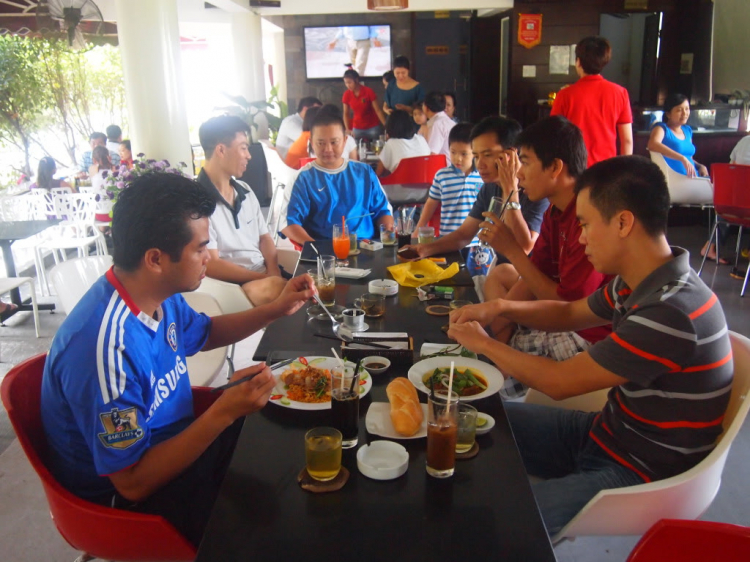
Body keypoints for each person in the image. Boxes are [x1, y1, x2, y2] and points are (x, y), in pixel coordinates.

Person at [448, 155, 733, 536]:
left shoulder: (670, 312)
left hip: (638, 469)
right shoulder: (639, 280)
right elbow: (569, 314)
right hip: (607, 433)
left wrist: (483, 344)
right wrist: (498, 307)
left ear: (622, 222)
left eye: (585, 224)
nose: (580, 238)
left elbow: (559, 383)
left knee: (501, 523)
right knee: (465, 417)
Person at [40, 172, 315, 547]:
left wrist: (276, 308)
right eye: (201, 249)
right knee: (273, 527)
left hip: (178, 447)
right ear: (155, 258)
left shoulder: (157, 293)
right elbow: (133, 483)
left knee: (285, 447)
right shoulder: (103, 349)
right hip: (128, 504)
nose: (209, 258)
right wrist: (222, 411)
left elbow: (203, 333)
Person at [478, 116, 611, 399]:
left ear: (555, 167)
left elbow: (568, 308)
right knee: (499, 307)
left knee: (496, 353)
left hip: (587, 334)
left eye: (524, 163)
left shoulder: (587, 216)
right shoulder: (556, 211)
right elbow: (533, 273)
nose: (519, 173)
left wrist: (511, 249)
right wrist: (499, 315)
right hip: (565, 313)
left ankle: (496, 400)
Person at [405, 116, 548, 262]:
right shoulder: (489, 188)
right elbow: (463, 235)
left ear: (510, 154)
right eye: (476, 156)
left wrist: (510, 189)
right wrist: (424, 249)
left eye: (487, 155)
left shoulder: (536, 190)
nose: (480, 164)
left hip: (528, 274)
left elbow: (524, 247)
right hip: (501, 269)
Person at [198, 115, 288, 306]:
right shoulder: (197, 202)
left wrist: (273, 271)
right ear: (221, 150)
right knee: (298, 296)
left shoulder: (245, 189)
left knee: (318, 283)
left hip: (265, 277)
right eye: (243, 148)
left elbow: (265, 237)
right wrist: (260, 277)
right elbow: (211, 264)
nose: (249, 155)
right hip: (233, 285)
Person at [281, 110, 393, 245]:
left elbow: (382, 211)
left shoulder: (364, 173)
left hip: (367, 247)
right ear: (311, 142)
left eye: (334, 142)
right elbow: (288, 223)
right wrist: (317, 249)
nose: (328, 149)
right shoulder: (303, 179)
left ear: (345, 141)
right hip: (326, 251)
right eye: (321, 143)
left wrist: (387, 231)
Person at [647, 93, 723, 263]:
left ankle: (710, 246)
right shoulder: (661, 128)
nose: (685, 113)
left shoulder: (687, 130)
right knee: (721, 197)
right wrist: (680, 158)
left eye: (687, 109)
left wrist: (699, 165)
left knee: (722, 199)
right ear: (668, 113)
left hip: (692, 181)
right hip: (677, 183)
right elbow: (652, 144)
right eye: (679, 110)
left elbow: (688, 156)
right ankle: (710, 247)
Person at [550, 36, 633, 167]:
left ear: (578, 62)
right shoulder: (620, 93)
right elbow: (627, 141)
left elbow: (554, 136)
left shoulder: (564, 95)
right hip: (607, 168)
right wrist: (623, 170)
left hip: (573, 168)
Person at [417, 123, 483, 239]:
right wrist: (419, 228)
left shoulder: (482, 177)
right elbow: (431, 203)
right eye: (453, 152)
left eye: (464, 154)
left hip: (476, 240)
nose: (458, 158)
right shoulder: (442, 176)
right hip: (448, 239)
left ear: (474, 153)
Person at [376, 109, 430, 176]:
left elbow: (379, 172)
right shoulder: (421, 139)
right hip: (425, 182)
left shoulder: (391, 143)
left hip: (400, 184)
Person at [342, 68, 386, 142]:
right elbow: (346, 113)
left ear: (356, 80)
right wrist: (347, 129)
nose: (348, 85)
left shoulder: (368, 91)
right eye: (346, 83)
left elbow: (378, 110)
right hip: (357, 127)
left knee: (376, 148)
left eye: (349, 82)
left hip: (372, 126)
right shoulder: (347, 94)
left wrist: (386, 126)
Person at [276, 97, 322, 161]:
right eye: (316, 110)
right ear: (305, 109)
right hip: (290, 165)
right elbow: (310, 143)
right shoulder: (291, 122)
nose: (319, 114)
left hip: (299, 161)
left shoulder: (302, 122)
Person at [422, 91, 456, 158]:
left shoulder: (437, 124)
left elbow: (432, 154)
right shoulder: (449, 122)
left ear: (426, 108)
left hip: (444, 167)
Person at [89, 145, 115, 224]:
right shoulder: (115, 170)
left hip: (99, 214)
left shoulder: (92, 169)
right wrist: (111, 163)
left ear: (94, 160)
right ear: (109, 157)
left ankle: (104, 230)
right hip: (115, 213)